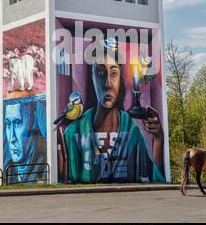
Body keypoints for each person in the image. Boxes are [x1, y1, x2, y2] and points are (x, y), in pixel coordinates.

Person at [63, 40, 165, 183]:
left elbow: (154, 179)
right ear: (92, 78)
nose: (107, 84)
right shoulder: (73, 133)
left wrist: (159, 139)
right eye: (100, 73)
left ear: (120, 78)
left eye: (114, 73)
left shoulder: (132, 131)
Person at [4, 96, 47, 183]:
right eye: (8, 124)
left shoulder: (44, 166)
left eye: (17, 123)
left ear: (33, 122)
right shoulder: (9, 168)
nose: (12, 138)